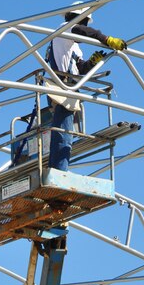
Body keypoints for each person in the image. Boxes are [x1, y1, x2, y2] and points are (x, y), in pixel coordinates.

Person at [47, 9, 127, 172]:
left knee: (66, 133)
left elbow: (80, 69)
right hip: (62, 87)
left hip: (70, 89)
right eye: (83, 22)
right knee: (64, 134)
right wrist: (106, 39)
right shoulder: (65, 29)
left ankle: (59, 168)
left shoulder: (74, 47)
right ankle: (59, 171)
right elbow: (84, 31)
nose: (84, 26)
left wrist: (91, 62)